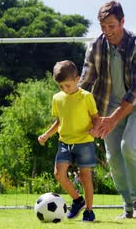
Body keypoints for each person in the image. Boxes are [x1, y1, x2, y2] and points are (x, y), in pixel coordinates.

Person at [79, 0, 136, 219]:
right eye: (103, 27)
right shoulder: (95, 46)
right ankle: (127, 207)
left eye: (112, 26)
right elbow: (85, 83)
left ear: (122, 22)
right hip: (107, 107)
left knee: (129, 145)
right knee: (113, 156)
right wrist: (73, 111)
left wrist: (112, 120)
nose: (107, 31)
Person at [38, 60, 100, 222]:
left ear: (77, 79)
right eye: (61, 86)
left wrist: (95, 129)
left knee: (85, 177)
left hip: (85, 142)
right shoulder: (57, 98)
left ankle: (89, 211)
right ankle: (78, 200)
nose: (64, 89)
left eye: (68, 85)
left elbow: (96, 118)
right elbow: (59, 121)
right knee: (58, 174)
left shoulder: (87, 97)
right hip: (64, 142)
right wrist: (46, 135)